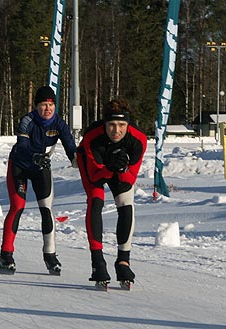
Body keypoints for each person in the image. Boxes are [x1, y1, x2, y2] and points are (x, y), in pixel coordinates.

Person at [0, 86, 77, 275]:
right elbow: (23, 145)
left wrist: (79, 161)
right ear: (36, 106)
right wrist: (34, 156)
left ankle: (50, 256)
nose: (47, 109)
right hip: (20, 165)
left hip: (41, 167)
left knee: (46, 208)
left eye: (51, 105)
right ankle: (6, 254)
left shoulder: (59, 123)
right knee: (18, 206)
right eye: (43, 105)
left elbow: (70, 146)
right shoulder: (28, 120)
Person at [76, 98, 147, 288]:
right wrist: (110, 167)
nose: (117, 130)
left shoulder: (138, 140)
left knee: (125, 204)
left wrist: (122, 169)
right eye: (112, 125)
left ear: (128, 124)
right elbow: (95, 177)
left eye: (122, 125)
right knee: (96, 200)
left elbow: (129, 180)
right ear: (104, 124)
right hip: (94, 166)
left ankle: (123, 261)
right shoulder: (93, 137)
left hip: (118, 169)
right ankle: (97, 261)